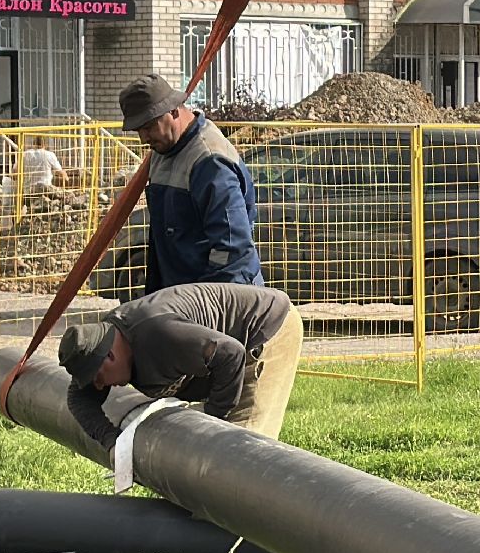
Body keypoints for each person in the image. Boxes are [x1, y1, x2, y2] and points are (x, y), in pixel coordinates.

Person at [56, 282, 302, 446]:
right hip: (223, 352)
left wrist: (214, 417)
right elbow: (78, 399)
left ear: (109, 356)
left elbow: (230, 353)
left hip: (264, 331)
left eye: (97, 378)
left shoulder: (159, 333)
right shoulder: (102, 343)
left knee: (244, 446)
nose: (98, 387)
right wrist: (112, 442)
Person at [118, 74, 263, 292]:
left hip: (219, 299)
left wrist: (206, 310)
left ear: (173, 111)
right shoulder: (163, 149)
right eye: (139, 130)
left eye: (148, 127)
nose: (143, 138)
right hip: (181, 295)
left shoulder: (210, 161)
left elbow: (232, 251)